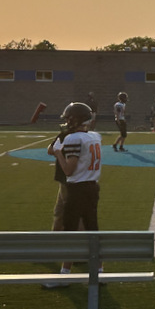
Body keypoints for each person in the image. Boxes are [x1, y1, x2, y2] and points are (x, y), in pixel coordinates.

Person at [46, 103, 101, 286]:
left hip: (77, 189)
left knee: (70, 232)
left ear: (74, 119)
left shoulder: (72, 139)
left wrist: (58, 153)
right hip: (92, 187)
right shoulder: (94, 136)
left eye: (69, 118)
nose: (67, 121)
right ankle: (99, 271)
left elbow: (69, 170)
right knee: (92, 230)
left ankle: (64, 274)